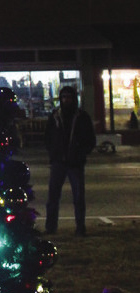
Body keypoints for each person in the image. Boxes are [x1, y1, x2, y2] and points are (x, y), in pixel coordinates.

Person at [44, 84, 96, 235]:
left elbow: (90, 139)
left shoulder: (81, 117)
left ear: (74, 99)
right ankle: (51, 227)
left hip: (75, 163)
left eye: (69, 97)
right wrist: (53, 154)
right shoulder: (55, 116)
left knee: (78, 198)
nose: (66, 100)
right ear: (60, 99)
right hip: (58, 162)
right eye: (64, 97)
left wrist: (81, 154)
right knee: (53, 197)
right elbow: (48, 138)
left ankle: (80, 227)